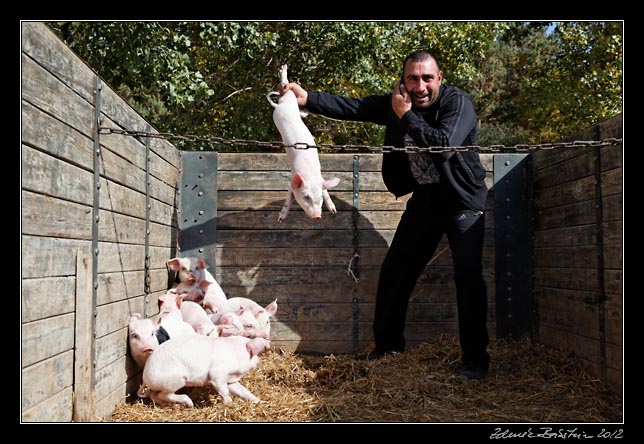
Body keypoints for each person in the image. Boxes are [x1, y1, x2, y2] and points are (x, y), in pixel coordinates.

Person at [283, 49, 490, 379]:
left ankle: (475, 361)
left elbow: (444, 144)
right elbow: (355, 107)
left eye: (426, 78)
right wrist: (308, 98)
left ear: (439, 79)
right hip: (427, 199)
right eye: (412, 78)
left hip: (463, 200)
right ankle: (388, 347)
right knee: (396, 271)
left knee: (468, 277)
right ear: (403, 80)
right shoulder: (397, 101)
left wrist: (406, 115)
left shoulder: (456, 103)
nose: (419, 86)